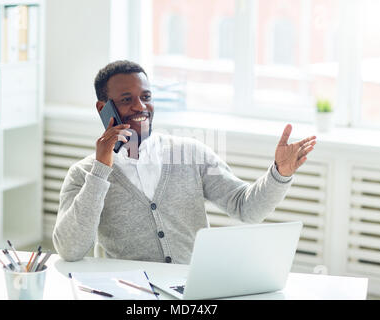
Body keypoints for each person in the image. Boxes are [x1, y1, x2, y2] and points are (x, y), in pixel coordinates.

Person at [52, 60, 317, 264]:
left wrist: (280, 173)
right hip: (129, 293)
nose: (141, 107)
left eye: (146, 97)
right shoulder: (84, 174)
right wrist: (101, 170)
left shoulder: (190, 154)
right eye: (126, 100)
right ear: (103, 108)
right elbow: (69, 249)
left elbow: (246, 208)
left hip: (192, 291)